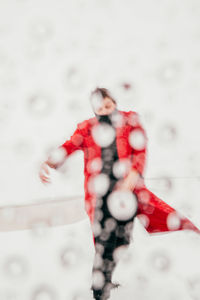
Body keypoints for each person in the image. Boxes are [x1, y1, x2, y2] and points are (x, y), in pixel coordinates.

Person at [39, 87, 200, 300]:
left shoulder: (130, 122)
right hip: (99, 194)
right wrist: (48, 162)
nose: (105, 110)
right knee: (104, 240)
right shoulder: (87, 128)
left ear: (114, 104)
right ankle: (100, 290)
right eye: (100, 107)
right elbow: (68, 147)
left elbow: (140, 151)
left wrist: (134, 174)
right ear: (94, 109)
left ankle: (104, 279)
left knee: (122, 240)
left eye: (109, 105)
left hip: (127, 193)